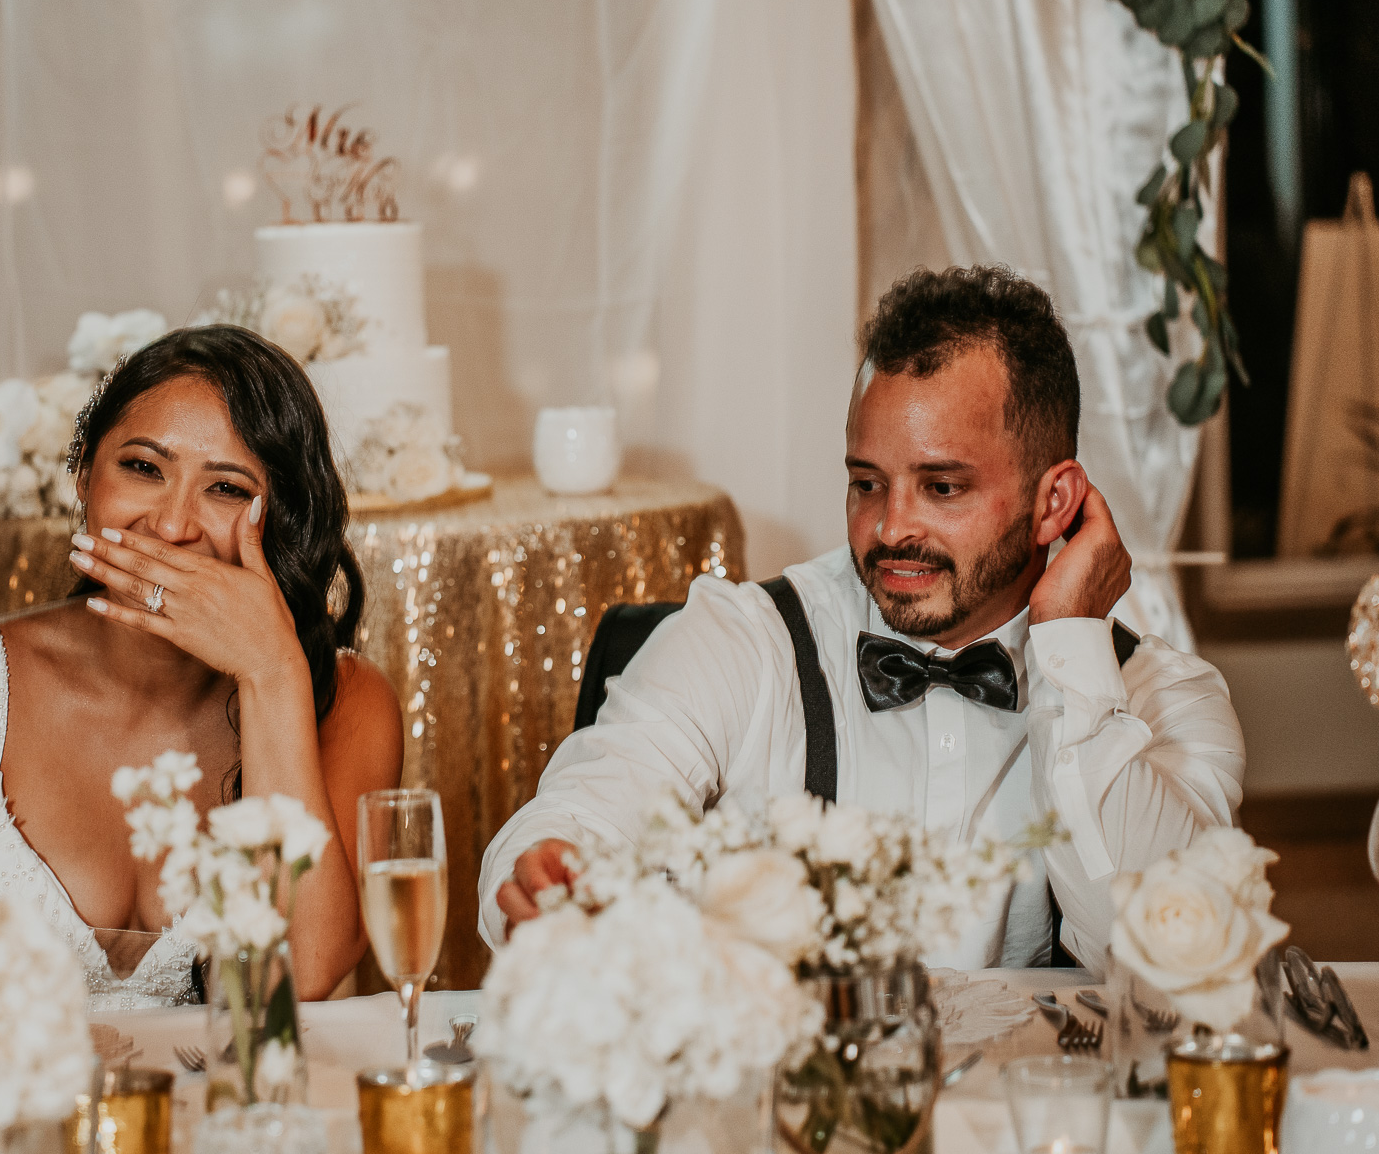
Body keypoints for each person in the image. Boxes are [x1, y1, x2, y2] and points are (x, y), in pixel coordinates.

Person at [481, 265, 1245, 972]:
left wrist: (1072, 645)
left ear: (1054, 502)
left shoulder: (1166, 703)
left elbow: (1167, 960)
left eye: (942, 488)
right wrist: (548, 870)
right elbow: (576, 815)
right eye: (867, 484)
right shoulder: (741, 641)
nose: (890, 528)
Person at [0, 325, 403, 1005]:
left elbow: (296, 978)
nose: (172, 525)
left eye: (224, 489)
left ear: (280, 519)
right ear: (83, 477)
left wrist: (270, 675)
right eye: (143, 468)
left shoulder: (345, 699)